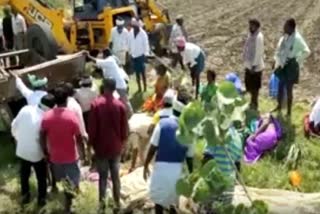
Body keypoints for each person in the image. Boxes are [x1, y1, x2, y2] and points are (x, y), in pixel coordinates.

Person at [143, 91, 193, 214]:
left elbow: (153, 147)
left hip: (161, 168)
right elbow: (190, 158)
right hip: (177, 171)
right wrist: (191, 177)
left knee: (158, 203)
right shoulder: (189, 131)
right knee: (173, 204)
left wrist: (145, 165)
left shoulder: (162, 124)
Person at [40, 86, 84, 213]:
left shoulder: (46, 117)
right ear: (66, 99)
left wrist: (45, 151)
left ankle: (69, 199)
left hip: (55, 156)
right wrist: (84, 153)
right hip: (71, 156)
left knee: (63, 181)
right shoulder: (71, 116)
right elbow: (79, 137)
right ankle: (69, 205)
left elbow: (42, 134)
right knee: (74, 180)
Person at [88, 78, 129, 213]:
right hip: (115, 147)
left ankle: (102, 206)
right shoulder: (120, 105)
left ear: (104, 87)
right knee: (116, 176)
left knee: (103, 177)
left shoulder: (96, 105)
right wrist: (123, 144)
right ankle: (117, 204)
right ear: (114, 88)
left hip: (101, 148)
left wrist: (90, 145)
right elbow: (125, 130)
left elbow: (92, 129)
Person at [11, 94, 55, 207]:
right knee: (41, 177)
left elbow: (14, 126)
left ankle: (25, 196)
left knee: (24, 174)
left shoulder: (25, 109)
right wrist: (47, 153)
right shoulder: (45, 119)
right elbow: (46, 140)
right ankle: (41, 199)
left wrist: (20, 139)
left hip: (22, 150)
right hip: (37, 153)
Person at [273, 18, 311, 116]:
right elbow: (279, 50)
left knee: (289, 89)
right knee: (280, 86)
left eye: (285, 26)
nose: (283, 27)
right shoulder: (285, 37)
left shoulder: (297, 38)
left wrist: (297, 60)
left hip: (291, 66)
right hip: (283, 64)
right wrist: (276, 60)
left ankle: (289, 111)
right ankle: (279, 106)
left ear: (291, 27)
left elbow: (307, 51)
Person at [86, 49, 133, 117]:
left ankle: (129, 114)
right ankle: (121, 114)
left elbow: (97, 61)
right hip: (113, 85)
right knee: (116, 101)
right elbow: (98, 64)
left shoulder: (109, 60)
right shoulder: (109, 60)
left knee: (124, 100)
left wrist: (88, 56)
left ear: (105, 55)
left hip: (119, 85)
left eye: (102, 55)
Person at [243, 19, 265, 110]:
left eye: (252, 25)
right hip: (249, 65)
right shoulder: (250, 35)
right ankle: (251, 103)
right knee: (249, 86)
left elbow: (259, 52)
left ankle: (255, 104)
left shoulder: (259, 37)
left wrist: (254, 66)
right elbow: (247, 47)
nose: (250, 27)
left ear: (256, 26)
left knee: (255, 87)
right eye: (250, 25)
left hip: (255, 68)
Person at [128, 18, 150, 92]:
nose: (134, 27)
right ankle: (139, 88)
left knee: (142, 73)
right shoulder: (130, 32)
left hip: (140, 56)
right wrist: (129, 53)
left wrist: (146, 54)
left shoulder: (143, 33)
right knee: (137, 73)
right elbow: (129, 43)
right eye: (133, 26)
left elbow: (146, 44)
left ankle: (145, 87)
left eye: (135, 26)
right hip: (133, 56)